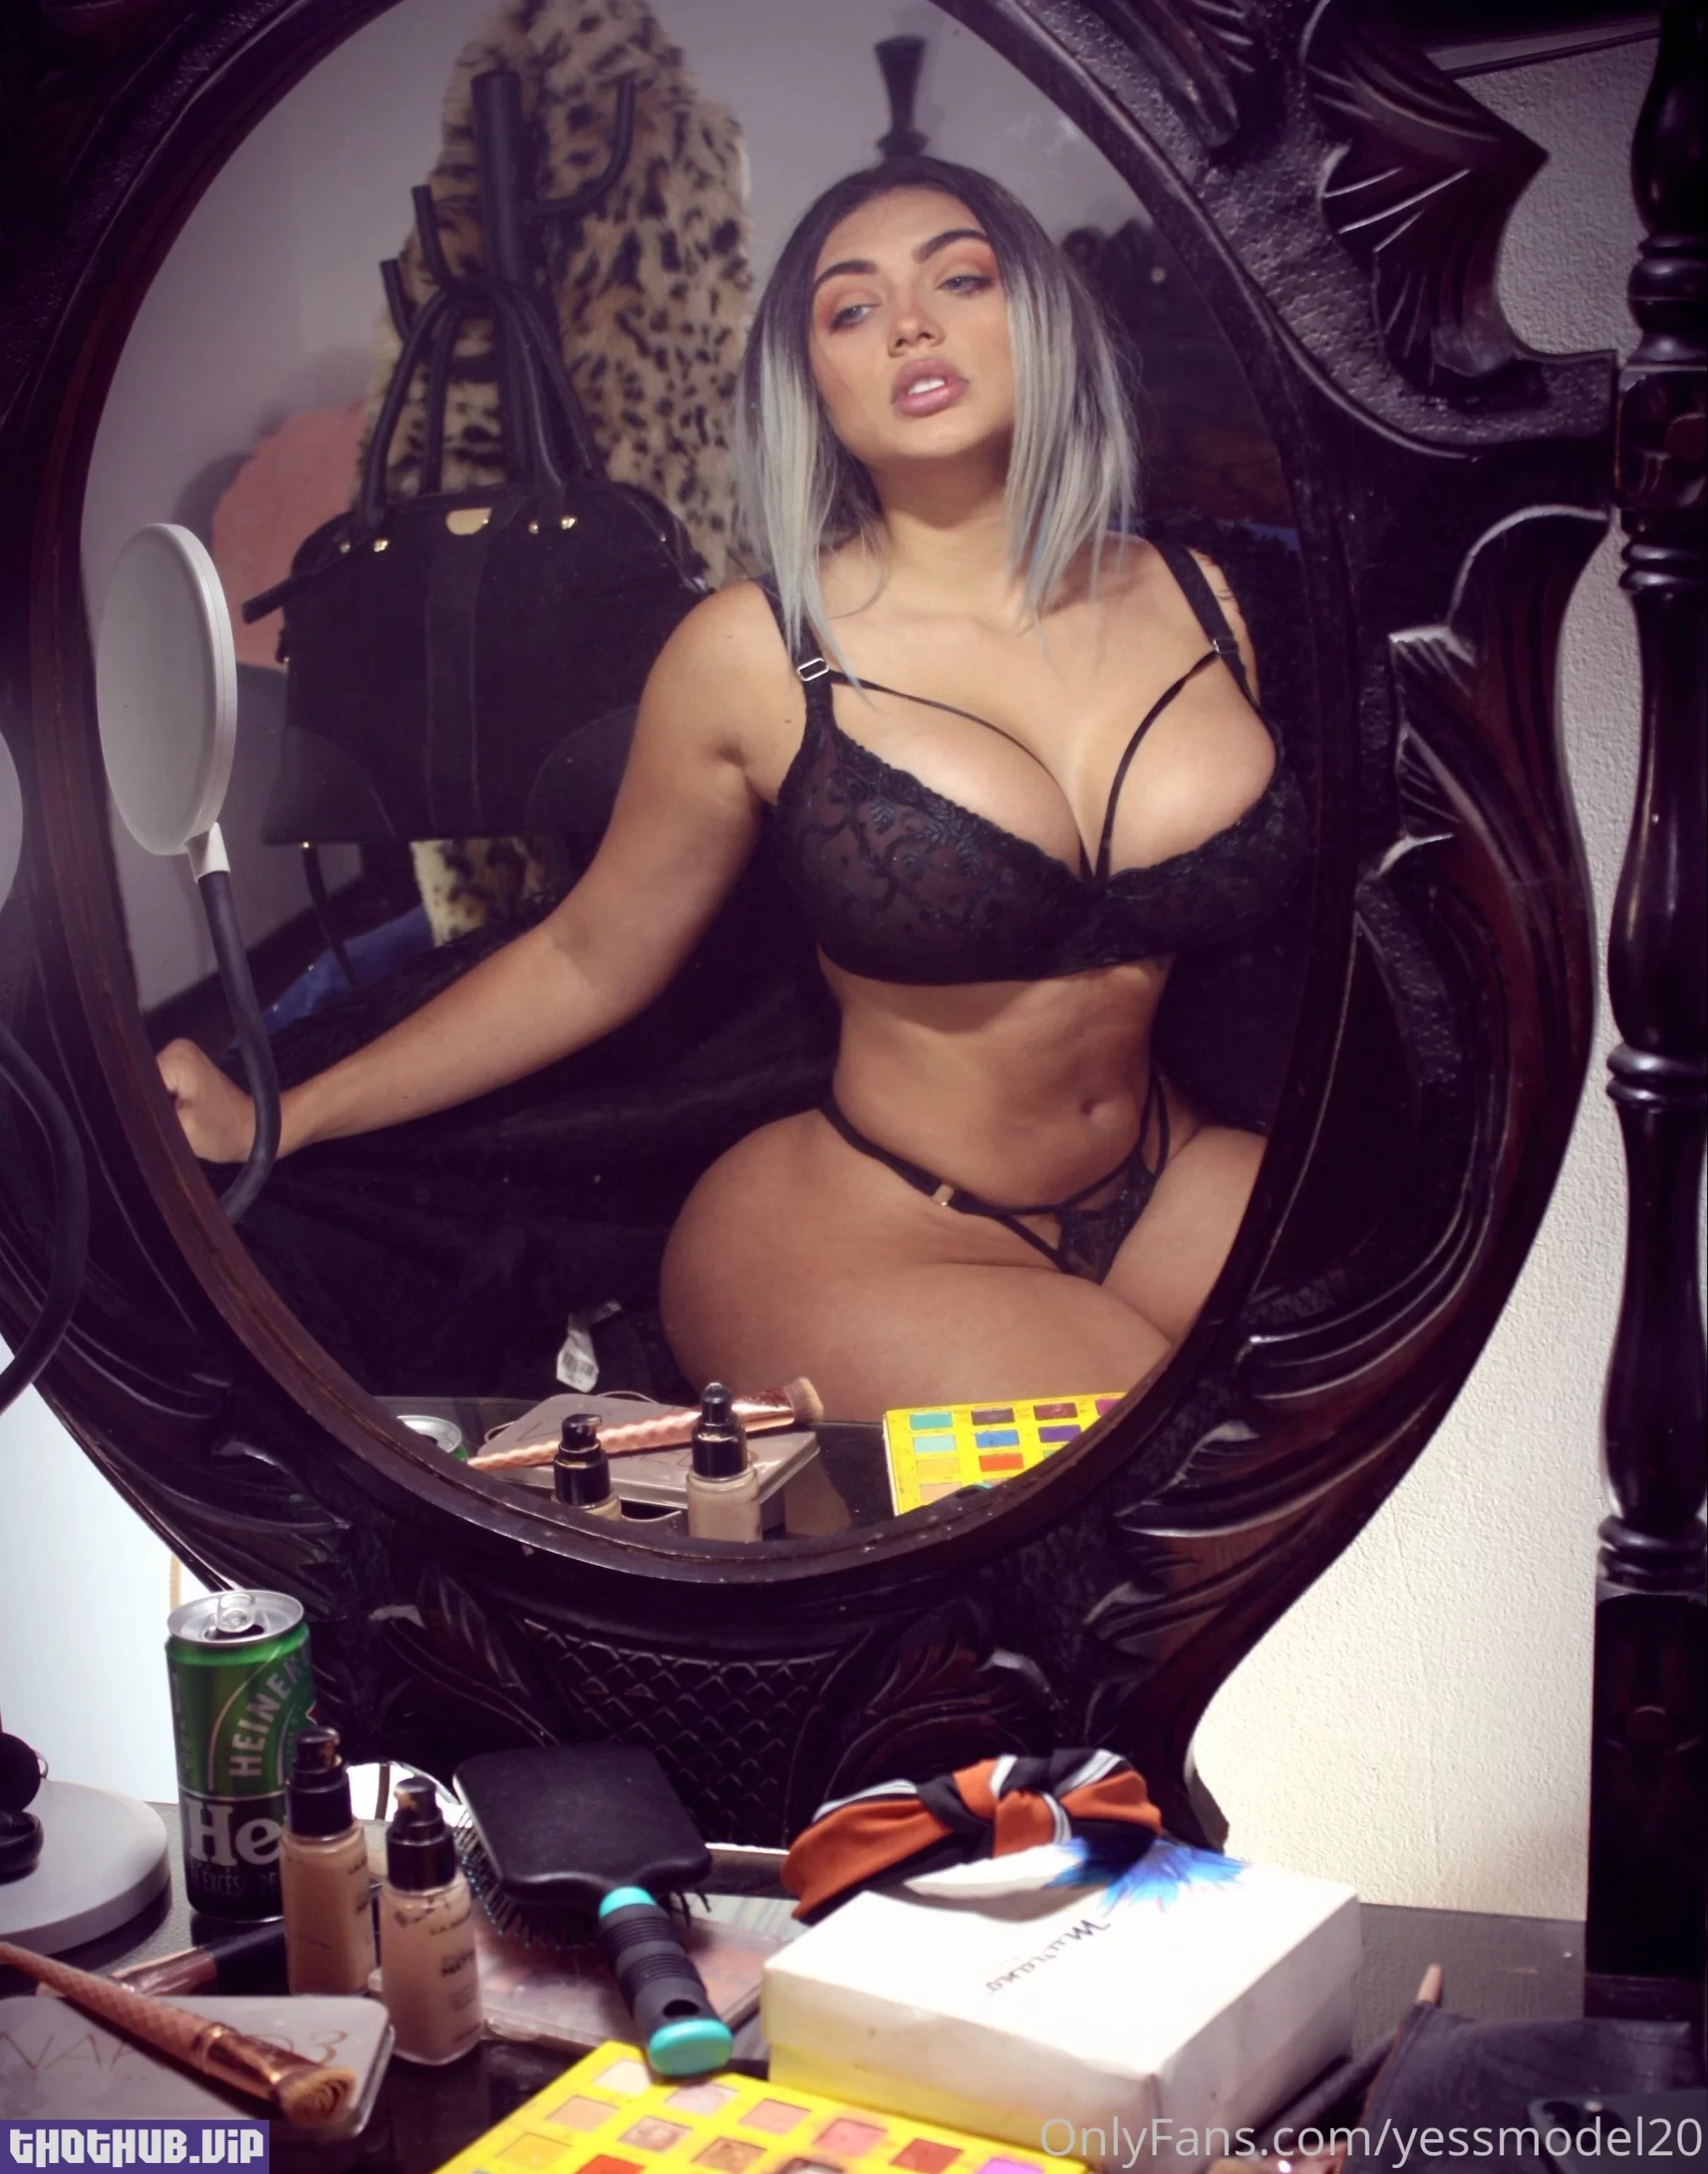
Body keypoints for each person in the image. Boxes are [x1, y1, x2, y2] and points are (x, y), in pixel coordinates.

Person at [159, 156, 1308, 1422]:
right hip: (882, 1227)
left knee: (1345, 1385)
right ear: (809, 384)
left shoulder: (1214, 599)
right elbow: (589, 956)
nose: (910, 325)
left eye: (961, 280)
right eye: (851, 308)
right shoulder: (754, 656)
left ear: (1039, 315)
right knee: (1152, 1455)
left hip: (1170, 1167)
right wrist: (283, 1115)